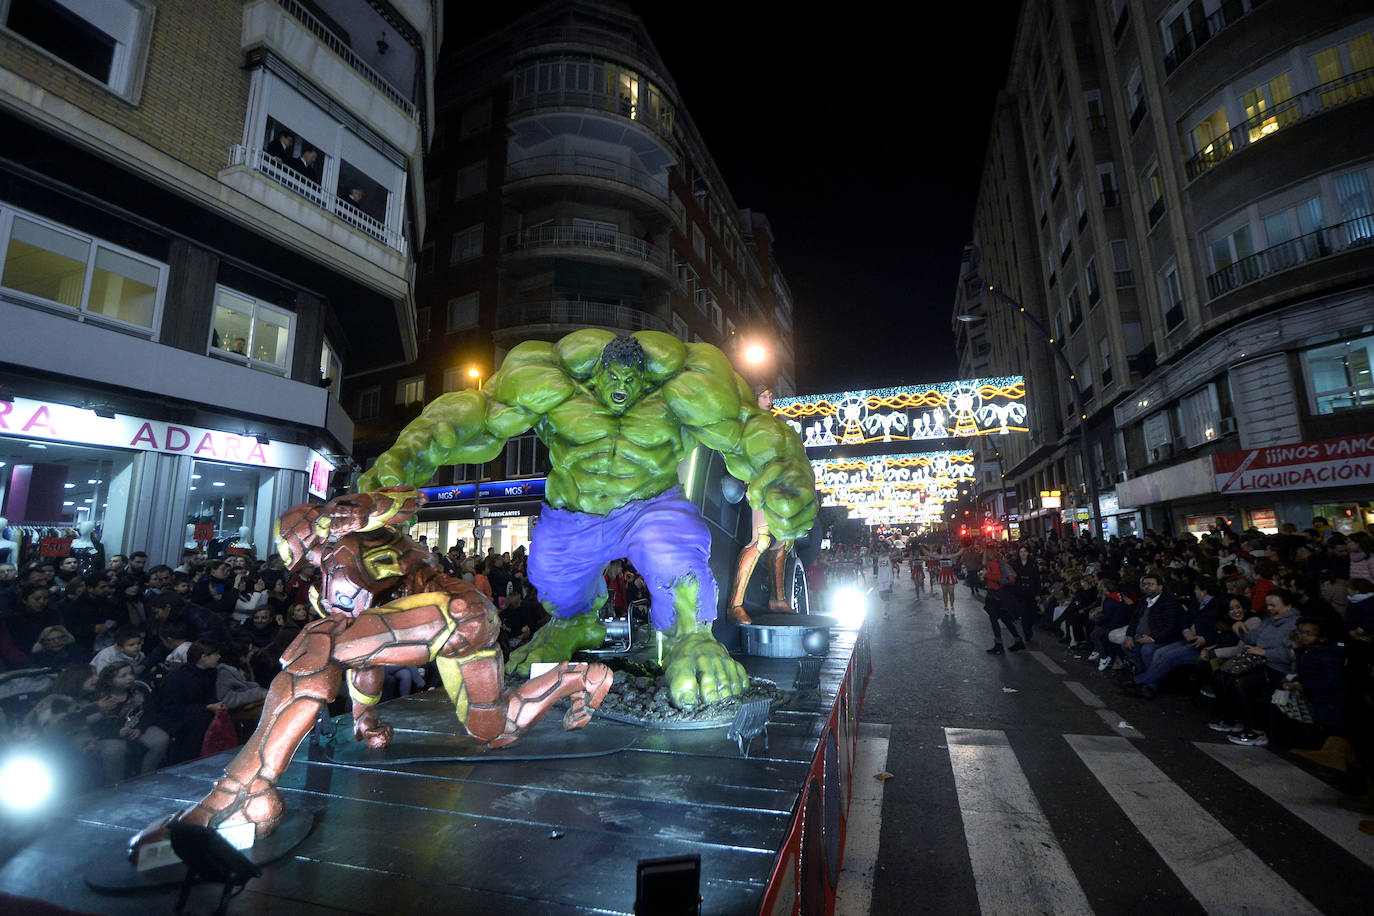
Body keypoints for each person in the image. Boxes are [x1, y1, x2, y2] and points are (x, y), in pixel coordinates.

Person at [91, 660, 168, 783]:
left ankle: (146, 777)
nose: (130, 678)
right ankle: (116, 784)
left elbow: (150, 712)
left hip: (135, 727)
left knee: (160, 738)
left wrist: (140, 728)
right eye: (123, 676)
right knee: (115, 749)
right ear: (110, 680)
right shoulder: (101, 697)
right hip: (109, 733)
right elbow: (95, 724)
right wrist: (117, 732)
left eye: (131, 674)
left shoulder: (140, 691)